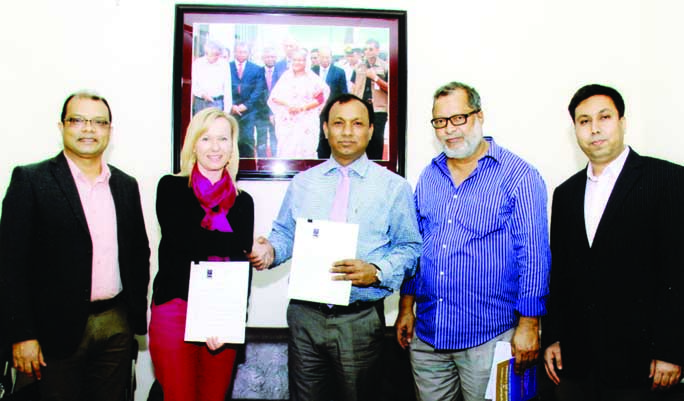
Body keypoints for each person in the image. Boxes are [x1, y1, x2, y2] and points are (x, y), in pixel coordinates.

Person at [248, 93, 421, 401]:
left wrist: (378, 272)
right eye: (338, 123)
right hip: (305, 317)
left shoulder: (394, 187)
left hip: (359, 318)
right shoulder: (303, 183)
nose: (347, 131)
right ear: (325, 129)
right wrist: (269, 251)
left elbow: (410, 248)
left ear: (370, 130)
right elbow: (285, 234)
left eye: (357, 124)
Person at [395, 81, 551, 401]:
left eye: (458, 118)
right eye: (440, 121)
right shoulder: (429, 175)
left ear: (479, 116)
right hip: (428, 336)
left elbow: (534, 255)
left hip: (489, 337)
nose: (449, 130)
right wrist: (406, 307)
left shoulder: (519, 176)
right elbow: (418, 245)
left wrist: (529, 326)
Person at [0, 91, 150, 401]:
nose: (88, 129)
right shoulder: (31, 180)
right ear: (62, 127)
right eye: (78, 120)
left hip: (114, 325)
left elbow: (138, 253)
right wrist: (21, 334)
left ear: (109, 130)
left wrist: (131, 314)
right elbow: (9, 264)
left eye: (99, 122)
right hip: (50, 331)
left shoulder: (125, 185)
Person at [542, 84, 684, 401]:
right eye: (583, 121)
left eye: (604, 117)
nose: (594, 128)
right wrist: (552, 337)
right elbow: (561, 274)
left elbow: (677, 272)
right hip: (578, 363)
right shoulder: (566, 194)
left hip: (643, 365)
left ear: (621, 121)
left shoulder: (667, 180)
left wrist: (671, 350)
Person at [149, 107, 254, 401]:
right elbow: (185, 242)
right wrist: (236, 243)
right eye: (206, 138)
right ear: (193, 143)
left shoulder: (244, 202)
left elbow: (241, 265)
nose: (215, 147)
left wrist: (229, 318)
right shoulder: (171, 187)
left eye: (223, 138)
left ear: (232, 146)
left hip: (223, 314)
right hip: (175, 309)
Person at [268, 48, 330, 159]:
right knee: (287, 152)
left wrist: (302, 107)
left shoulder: (313, 79)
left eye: (301, 60)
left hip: (306, 122)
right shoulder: (286, 77)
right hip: (287, 122)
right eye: (295, 60)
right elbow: (274, 98)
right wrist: (288, 105)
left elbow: (321, 98)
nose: (297, 62)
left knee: (306, 151)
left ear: (306, 62)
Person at [352, 39, 389, 160]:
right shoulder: (359, 67)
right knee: (360, 139)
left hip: (378, 109)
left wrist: (376, 78)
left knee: (376, 141)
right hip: (361, 109)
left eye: (371, 49)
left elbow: (391, 88)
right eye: (366, 49)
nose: (368, 52)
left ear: (377, 50)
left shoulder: (385, 67)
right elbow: (354, 87)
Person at [230, 41, 266, 158]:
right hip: (231, 110)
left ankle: (248, 166)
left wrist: (246, 105)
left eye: (244, 52)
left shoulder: (257, 69)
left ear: (248, 53)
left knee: (247, 140)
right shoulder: (226, 67)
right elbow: (223, 87)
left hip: (249, 111)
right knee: (231, 139)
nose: (241, 54)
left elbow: (258, 90)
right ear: (235, 52)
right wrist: (232, 105)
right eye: (239, 52)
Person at [312, 47, 348, 158]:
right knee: (318, 135)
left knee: (331, 135)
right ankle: (320, 158)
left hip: (333, 111)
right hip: (315, 110)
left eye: (327, 57)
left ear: (331, 58)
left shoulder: (339, 72)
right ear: (318, 58)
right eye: (322, 57)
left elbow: (343, 93)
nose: (325, 60)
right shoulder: (312, 71)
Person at [191, 40, 232, 115]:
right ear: (206, 53)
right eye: (214, 54)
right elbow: (193, 85)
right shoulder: (198, 63)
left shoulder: (224, 65)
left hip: (217, 103)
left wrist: (227, 110)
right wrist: (202, 94)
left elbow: (227, 89)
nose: (217, 57)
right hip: (200, 103)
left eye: (218, 54)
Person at [255, 46, 279, 158]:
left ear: (276, 58)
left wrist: (273, 112)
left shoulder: (282, 73)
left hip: (277, 112)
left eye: (272, 56)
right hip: (260, 113)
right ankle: (261, 164)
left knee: (276, 139)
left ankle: (275, 162)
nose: (270, 59)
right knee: (261, 140)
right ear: (263, 58)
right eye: (267, 56)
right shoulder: (257, 72)